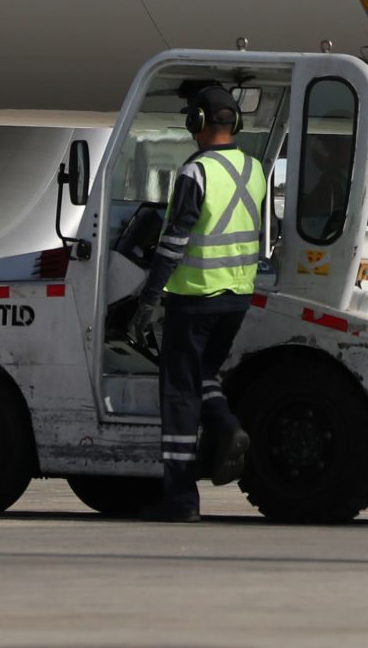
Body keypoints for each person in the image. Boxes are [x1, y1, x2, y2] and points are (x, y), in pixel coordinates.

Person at [133, 83, 269, 522]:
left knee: (178, 391)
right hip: (237, 297)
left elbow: (174, 241)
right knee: (203, 374)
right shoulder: (255, 170)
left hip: (193, 297)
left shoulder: (195, 172)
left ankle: (181, 500)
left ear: (198, 123)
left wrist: (148, 298)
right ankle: (226, 426)